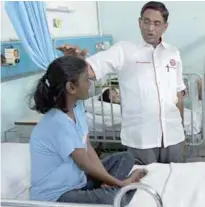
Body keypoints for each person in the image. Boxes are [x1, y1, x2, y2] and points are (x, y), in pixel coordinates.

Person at [57, 1, 186, 164]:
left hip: (173, 135)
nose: (150, 28)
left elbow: (178, 95)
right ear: (139, 22)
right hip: (141, 138)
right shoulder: (124, 51)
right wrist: (73, 59)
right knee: (142, 185)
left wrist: (182, 132)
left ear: (165, 27)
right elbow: (89, 69)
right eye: (146, 21)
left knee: (175, 184)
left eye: (156, 23)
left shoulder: (173, 53)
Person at [29, 56, 147, 205]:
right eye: (86, 79)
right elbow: (84, 163)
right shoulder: (57, 122)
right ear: (71, 87)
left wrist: (107, 179)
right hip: (59, 194)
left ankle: (110, 187)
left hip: (79, 180)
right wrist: (120, 183)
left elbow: (88, 148)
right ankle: (121, 188)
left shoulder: (77, 108)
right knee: (112, 200)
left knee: (125, 157)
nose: (90, 84)